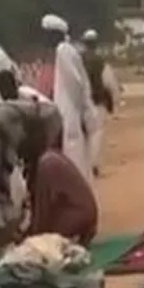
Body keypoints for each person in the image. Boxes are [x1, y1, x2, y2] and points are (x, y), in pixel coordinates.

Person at [17, 124, 98, 246]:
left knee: (44, 237)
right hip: (85, 214)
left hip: (79, 216)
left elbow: (43, 211)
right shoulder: (51, 156)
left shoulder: (46, 164)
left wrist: (31, 238)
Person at [41, 14, 96, 185]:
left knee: (74, 162)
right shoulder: (66, 50)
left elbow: (76, 84)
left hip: (70, 114)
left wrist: (81, 114)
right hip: (69, 113)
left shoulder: (63, 51)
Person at [81, 29, 115, 177]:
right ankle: (94, 164)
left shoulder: (79, 60)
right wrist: (112, 100)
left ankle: (84, 164)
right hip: (98, 100)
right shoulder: (100, 61)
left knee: (85, 134)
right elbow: (108, 83)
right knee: (96, 133)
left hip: (83, 101)